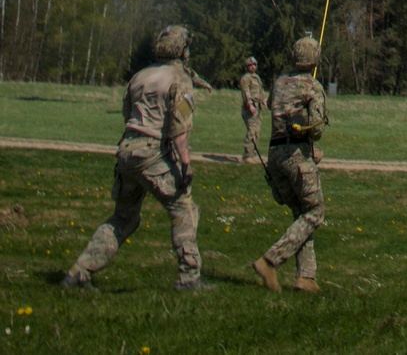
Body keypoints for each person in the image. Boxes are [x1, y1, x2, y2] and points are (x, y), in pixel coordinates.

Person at [62, 24, 206, 292]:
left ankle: (79, 272)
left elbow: (128, 113)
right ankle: (189, 278)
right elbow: (179, 126)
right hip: (153, 152)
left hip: (127, 151)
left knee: (124, 217)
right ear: (182, 50)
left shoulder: (139, 76)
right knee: (182, 209)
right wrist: (185, 164)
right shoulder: (180, 78)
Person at [252, 34, 329, 294]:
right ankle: (270, 261)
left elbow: (273, 106)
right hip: (298, 157)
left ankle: (306, 277)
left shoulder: (279, 81)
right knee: (315, 212)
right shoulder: (313, 87)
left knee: (301, 213)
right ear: (315, 59)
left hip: (275, 155)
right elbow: (316, 129)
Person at [239, 56, 268, 163]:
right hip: (249, 108)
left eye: (254, 65)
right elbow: (246, 92)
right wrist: (250, 104)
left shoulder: (256, 78)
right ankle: (247, 154)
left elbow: (260, 91)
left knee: (257, 131)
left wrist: (264, 101)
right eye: (250, 65)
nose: (252, 67)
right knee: (252, 130)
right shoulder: (246, 78)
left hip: (257, 107)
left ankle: (253, 153)